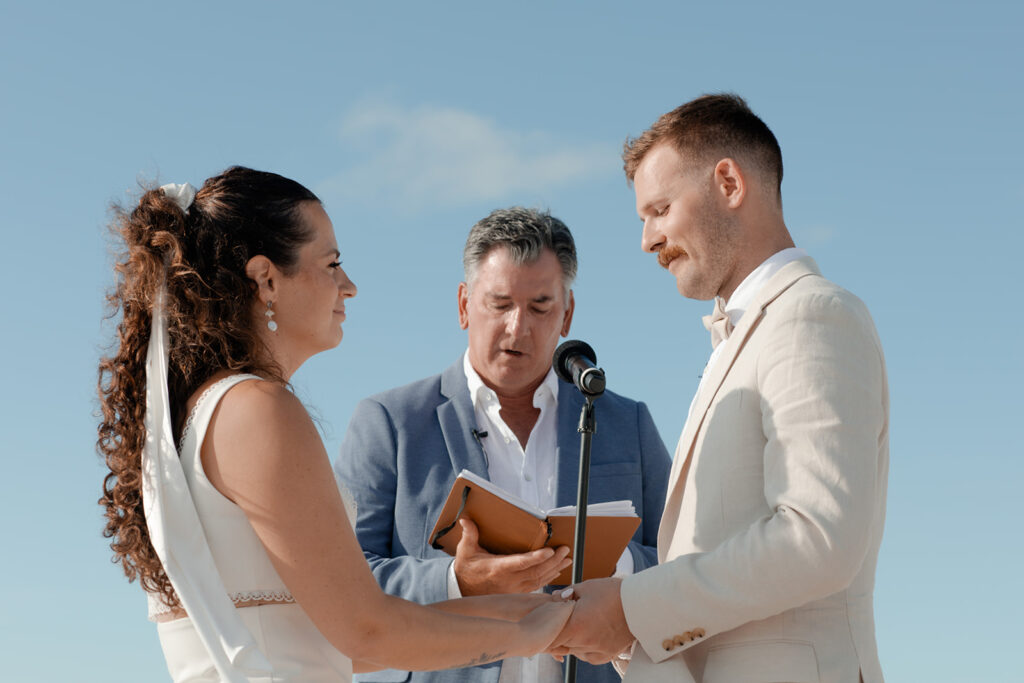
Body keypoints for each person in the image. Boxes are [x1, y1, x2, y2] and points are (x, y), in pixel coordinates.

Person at [96, 167, 573, 682]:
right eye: (332, 264)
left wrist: (523, 614)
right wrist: (529, 636)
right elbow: (366, 631)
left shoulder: (202, 413)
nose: (349, 286)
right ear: (266, 279)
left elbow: (339, 644)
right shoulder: (258, 408)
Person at [552, 94, 889, 682]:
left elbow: (818, 537)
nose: (646, 241)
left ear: (729, 183)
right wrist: (623, 630)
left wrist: (633, 608)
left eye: (659, 209)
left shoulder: (814, 315)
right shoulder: (740, 339)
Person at [334, 207, 672, 683]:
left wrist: (616, 561)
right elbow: (342, 584)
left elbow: (684, 560)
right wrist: (457, 582)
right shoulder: (388, 422)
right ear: (463, 305)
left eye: (539, 307)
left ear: (568, 313)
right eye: (500, 304)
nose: (519, 328)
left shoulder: (627, 422)